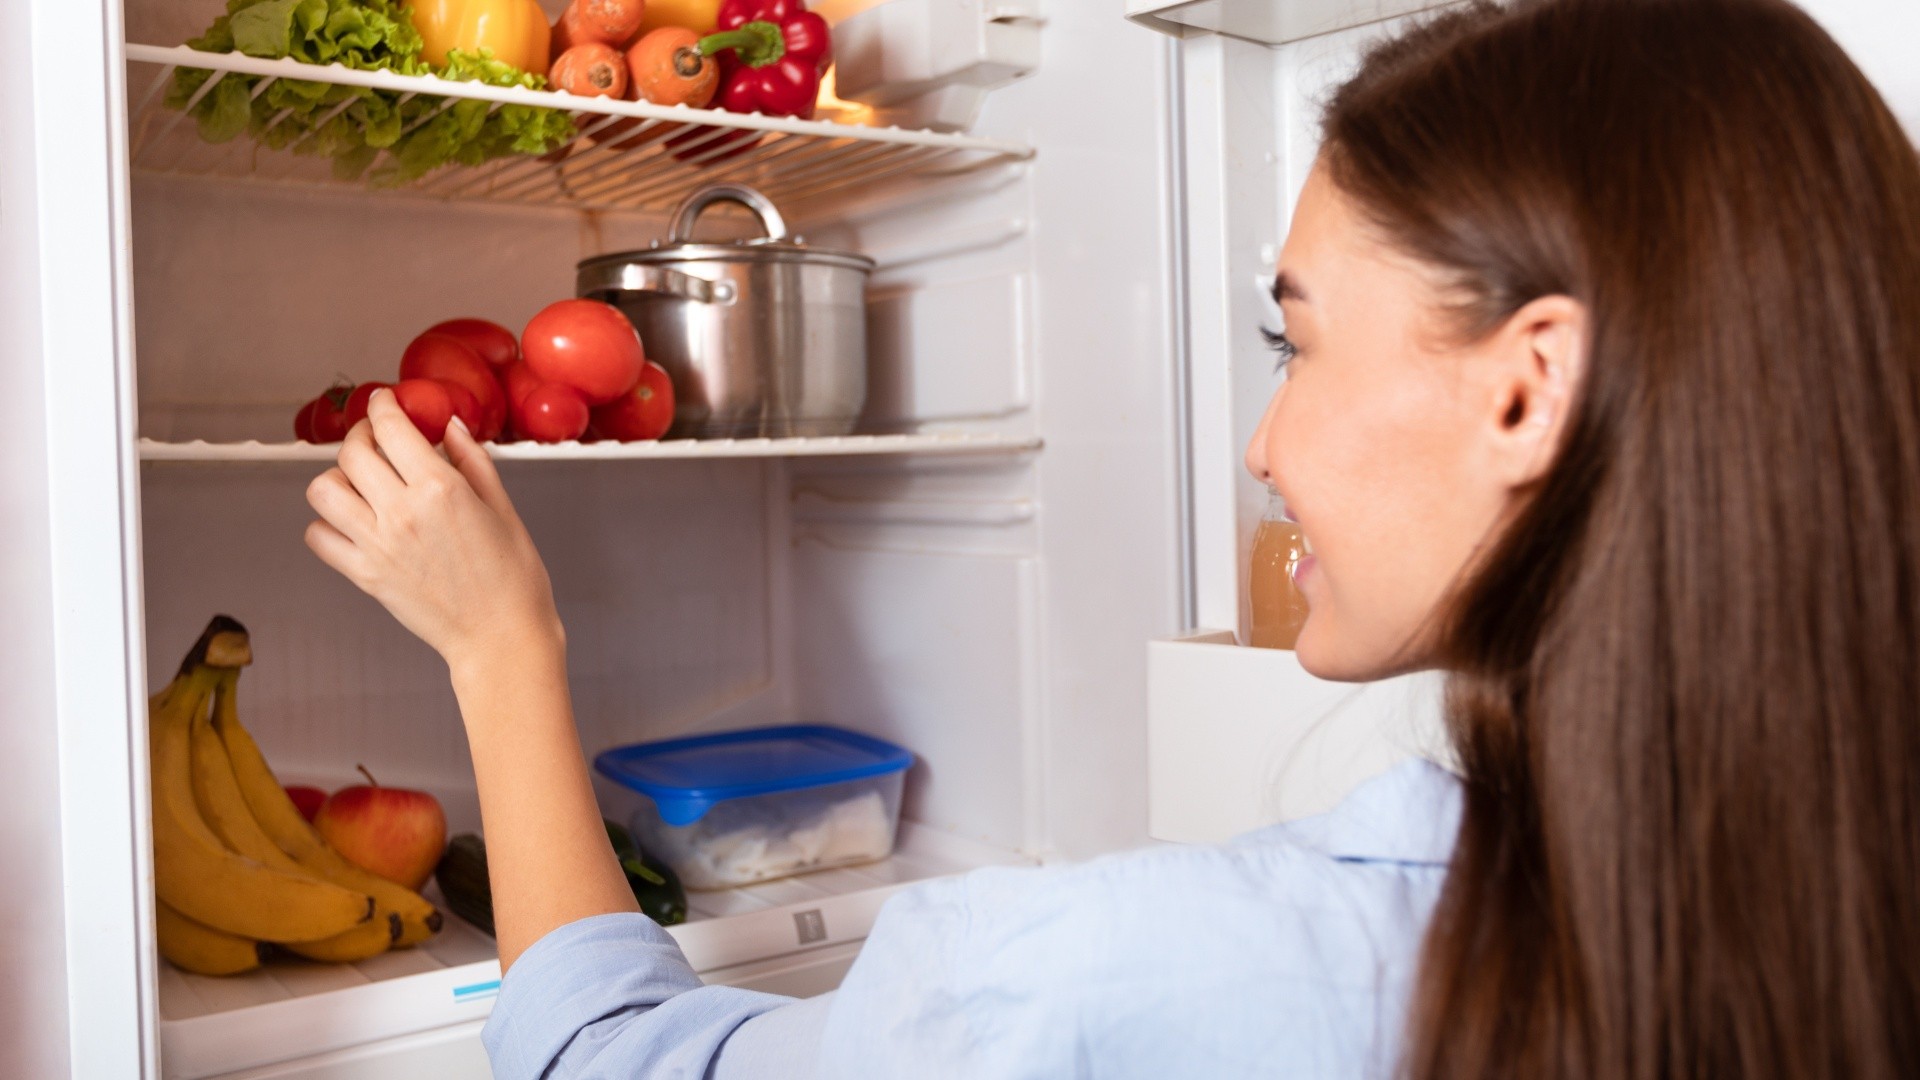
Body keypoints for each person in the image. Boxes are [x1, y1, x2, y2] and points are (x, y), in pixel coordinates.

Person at [302, 0, 1920, 1075]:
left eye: (1296, 345)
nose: (1263, 446)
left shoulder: (1146, 980)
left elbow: (608, 1062)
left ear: (1529, 391)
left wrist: (500, 644)